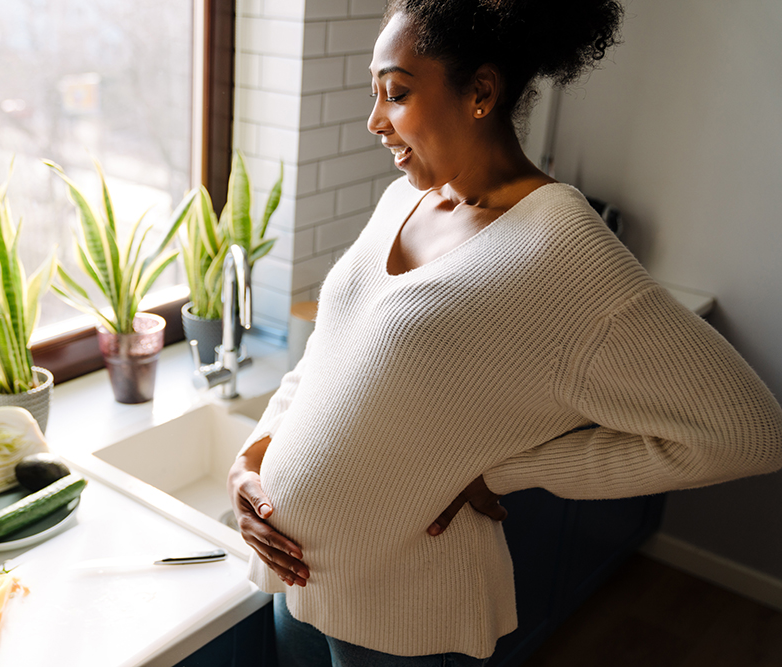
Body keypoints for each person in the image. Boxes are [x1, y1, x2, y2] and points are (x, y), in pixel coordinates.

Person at [228, 1, 782, 665]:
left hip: (402, 620)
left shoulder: (561, 247)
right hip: (298, 581)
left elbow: (747, 433)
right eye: (374, 93)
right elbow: (328, 354)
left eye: (396, 93)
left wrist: (511, 470)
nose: (375, 121)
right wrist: (254, 455)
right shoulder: (400, 199)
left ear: (481, 92)